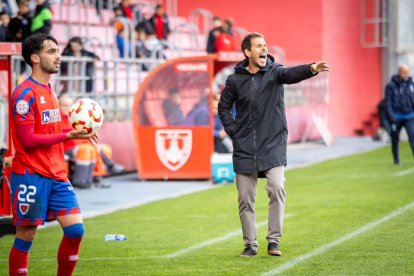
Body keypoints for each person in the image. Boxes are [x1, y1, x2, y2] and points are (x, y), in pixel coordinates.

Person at [218, 32, 329, 257]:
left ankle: (273, 241)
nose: (264, 49)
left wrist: (311, 69)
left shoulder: (275, 72)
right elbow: (223, 108)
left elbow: (291, 74)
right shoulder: (234, 80)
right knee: (245, 200)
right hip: (245, 147)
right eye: (259, 46)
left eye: (265, 45)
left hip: (273, 144)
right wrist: (233, 131)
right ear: (247, 52)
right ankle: (250, 245)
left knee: (277, 188)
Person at [8, 34, 98, 275]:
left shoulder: (50, 90)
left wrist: (76, 133)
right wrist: (68, 136)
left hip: (56, 174)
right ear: (35, 58)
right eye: (51, 51)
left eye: (58, 50)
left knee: (76, 230)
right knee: (26, 236)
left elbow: (52, 133)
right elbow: (27, 141)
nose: (58, 55)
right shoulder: (24, 95)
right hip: (30, 174)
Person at [59, 95, 124, 188]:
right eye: (64, 105)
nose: (67, 108)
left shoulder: (74, 117)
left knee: (103, 148)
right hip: (66, 147)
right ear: (59, 105)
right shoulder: (58, 118)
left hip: (79, 144)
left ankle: (94, 178)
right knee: (87, 149)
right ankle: (81, 180)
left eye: (69, 105)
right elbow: (66, 134)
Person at [384, 64, 414, 165]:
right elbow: (387, 102)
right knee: (395, 139)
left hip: (409, 116)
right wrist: (391, 115)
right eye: (404, 72)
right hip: (396, 117)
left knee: (412, 136)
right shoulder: (391, 85)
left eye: (407, 72)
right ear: (399, 72)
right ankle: (396, 159)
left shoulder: (411, 84)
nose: (407, 75)